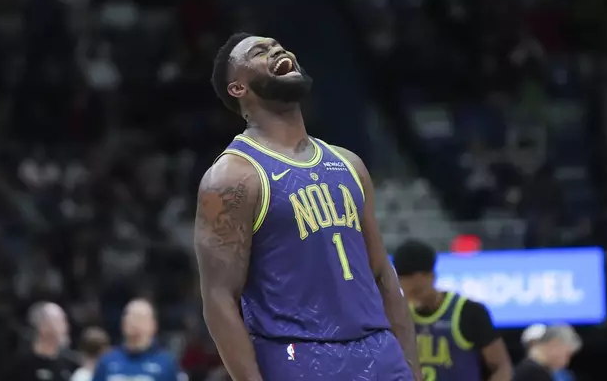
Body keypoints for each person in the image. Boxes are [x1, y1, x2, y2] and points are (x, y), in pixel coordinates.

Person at [194, 32, 420, 381]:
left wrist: (412, 367)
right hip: (299, 355)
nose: (277, 50)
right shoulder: (233, 177)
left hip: (379, 350)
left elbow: (382, 275)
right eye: (259, 51)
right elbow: (219, 298)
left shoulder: (348, 164)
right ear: (238, 88)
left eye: (277, 46)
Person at [394, 240, 512, 381]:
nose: (414, 300)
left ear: (432, 277)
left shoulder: (469, 312)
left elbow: (501, 366)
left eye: (417, 292)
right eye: (408, 294)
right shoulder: (397, 315)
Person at [92, 298, 182, 381]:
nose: (135, 322)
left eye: (141, 318)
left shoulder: (166, 364)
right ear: (123, 323)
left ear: (153, 325)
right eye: (131, 317)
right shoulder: (107, 361)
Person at [0, 302, 76, 381]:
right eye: (60, 321)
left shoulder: (72, 365)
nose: (66, 326)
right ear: (42, 327)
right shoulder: (18, 367)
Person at [514, 324, 581, 381]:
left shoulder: (532, 371)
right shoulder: (532, 374)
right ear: (554, 345)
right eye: (567, 355)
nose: (566, 362)